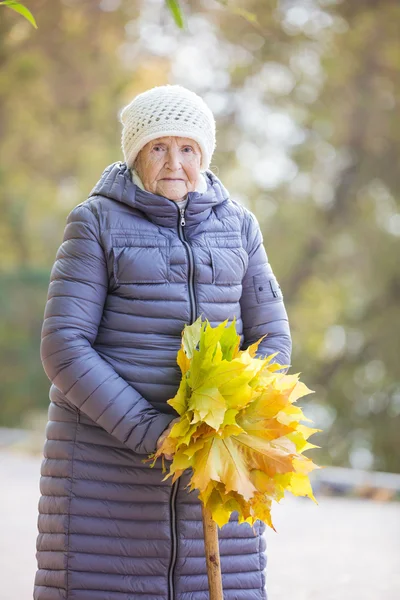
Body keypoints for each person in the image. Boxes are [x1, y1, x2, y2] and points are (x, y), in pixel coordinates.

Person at [33, 84, 292, 600]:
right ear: (134, 153)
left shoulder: (239, 227)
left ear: (205, 154)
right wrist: (155, 433)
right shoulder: (96, 222)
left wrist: (230, 424)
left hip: (216, 461)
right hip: (105, 471)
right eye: (158, 146)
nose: (174, 162)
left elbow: (272, 337)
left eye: (188, 148)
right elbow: (64, 344)